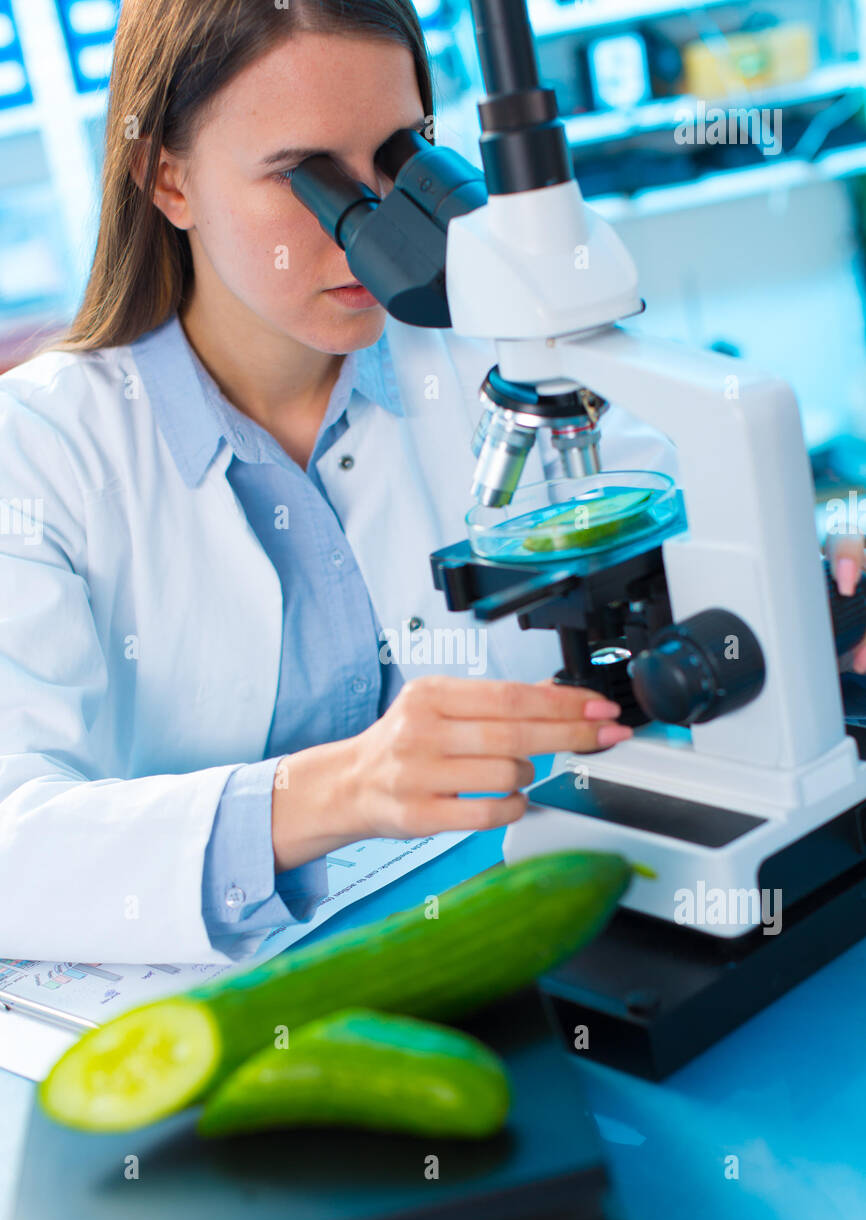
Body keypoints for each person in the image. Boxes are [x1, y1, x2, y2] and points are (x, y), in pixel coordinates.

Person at [0, 0, 859, 965]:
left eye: (400, 158)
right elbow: (10, 839)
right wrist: (343, 789)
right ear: (167, 177)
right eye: (304, 178)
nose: (373, 233)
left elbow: (673, 524)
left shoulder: (493, 360)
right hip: (212, 1013)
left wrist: (806, 578)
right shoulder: (36, 451)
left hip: (508, 934)